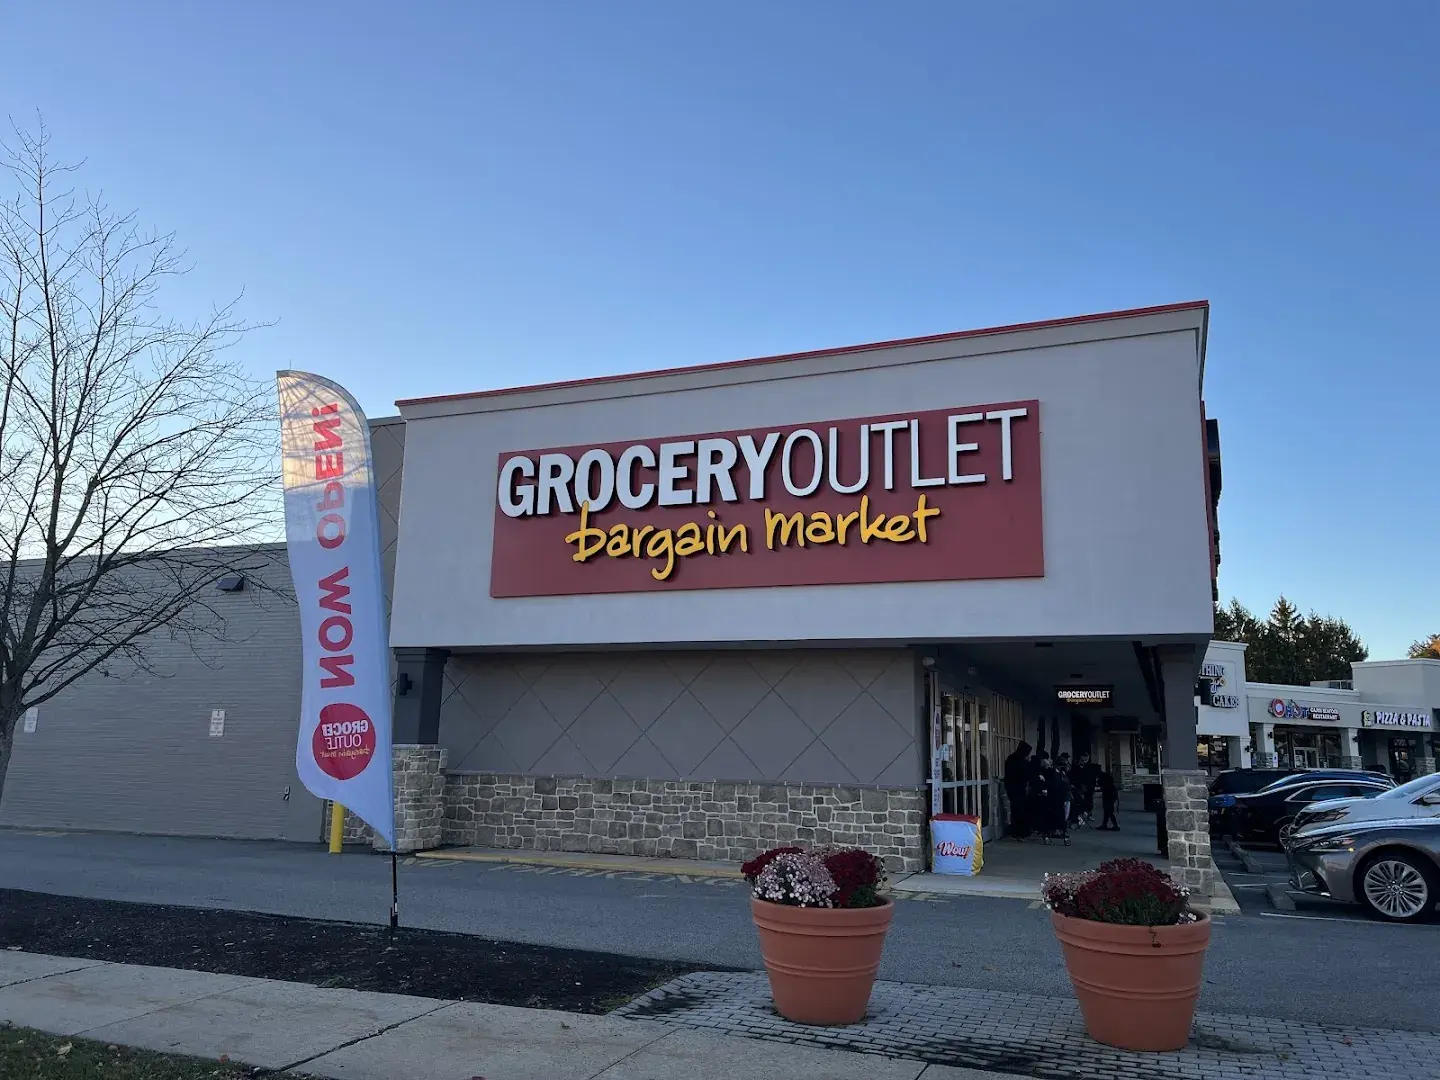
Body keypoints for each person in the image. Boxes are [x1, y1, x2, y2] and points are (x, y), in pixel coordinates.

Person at [1002, 741, 1033, 838]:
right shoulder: (1021, 761)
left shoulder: (1012, 758)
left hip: (1012, 787)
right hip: (1018, 788)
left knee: (1016, 809)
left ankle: (1016, 830)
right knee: (1020, 810)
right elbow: (1027, 774)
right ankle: (1021, 831)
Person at [1070, 752, 1098, 827]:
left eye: (1086, 759)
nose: (1084, 761)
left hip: (1088, 786)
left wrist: (1093, 785)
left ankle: (1088, 814)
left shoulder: (1088, 767)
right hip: (1079, 786)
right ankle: (1081, 814)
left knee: (1089, 801)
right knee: (1080, 801)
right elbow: (1074, 776)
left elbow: (1092, 776)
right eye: (1083, 760)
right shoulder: (1076, 767)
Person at [1051, 753, 1074, 840]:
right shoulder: (1055, 774)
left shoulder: (1062, 774)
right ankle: (1057, 830)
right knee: (1062, 814)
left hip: (1065, 795)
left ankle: (1060, 830)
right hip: (1060, 797)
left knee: (1065, 815)